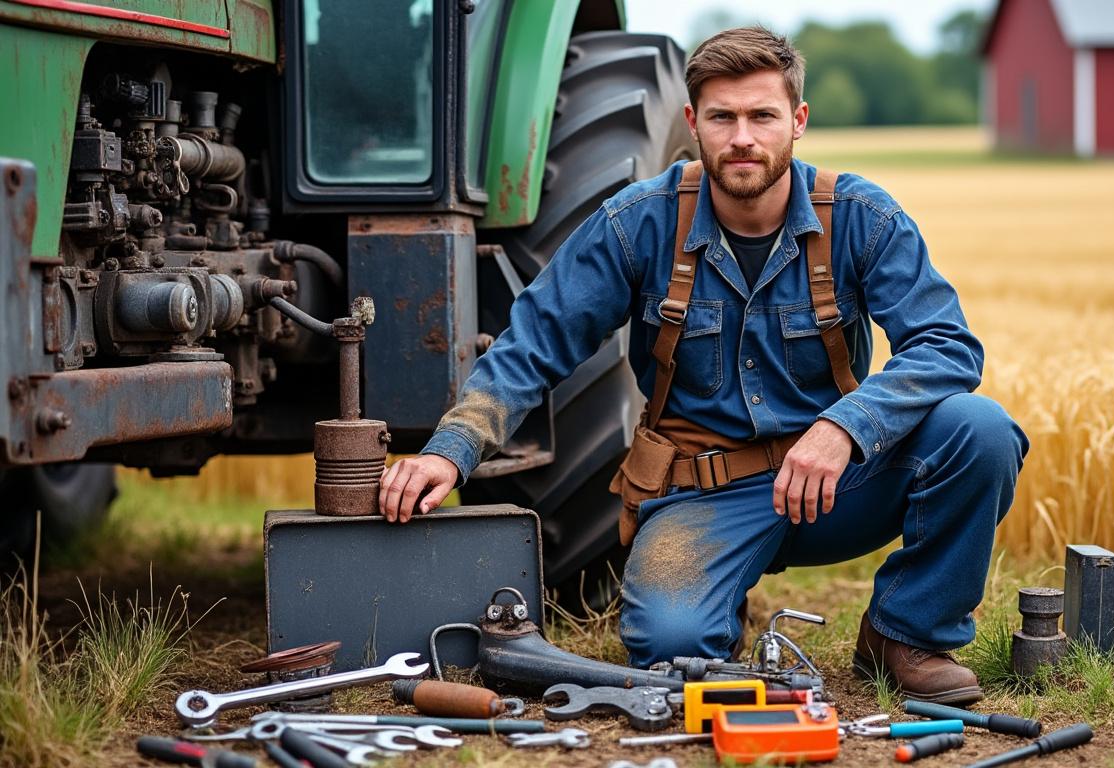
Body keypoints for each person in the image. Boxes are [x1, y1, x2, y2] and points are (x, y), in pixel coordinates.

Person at [378, 26, 1028, 705]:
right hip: (702, 494)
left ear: (798, 120)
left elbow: (947, 345)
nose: (742, 138)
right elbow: (533, 342)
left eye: (762, 116)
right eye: (722, 118)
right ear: (693, 123)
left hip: (836, 484)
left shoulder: (862, 217)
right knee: (671, 650)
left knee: (979, 431)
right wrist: (452, 450)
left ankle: (903, 634)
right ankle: (715, 604)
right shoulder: (637, 223)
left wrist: (845, 428)